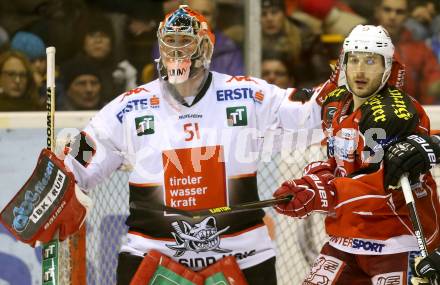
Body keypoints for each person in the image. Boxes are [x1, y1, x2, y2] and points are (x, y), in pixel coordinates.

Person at [3, 5, 323, 284]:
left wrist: (342, 93)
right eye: (169, 44)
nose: (176, 53)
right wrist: (60, 180)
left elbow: (307, 112)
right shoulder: (129, 107)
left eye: (185, 43)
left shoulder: (246, 93)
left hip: (244, 253)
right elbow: (84, 158)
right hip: (152, 253)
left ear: (205, 48)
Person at [273, 24, 440, 284]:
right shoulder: (335, 104)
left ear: (387, 67)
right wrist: (311, 182)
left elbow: (383, 184)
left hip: (396, 240)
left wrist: (325, 193)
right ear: (343, 64)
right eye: (354, 60)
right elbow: (336, 162)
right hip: (345, 240)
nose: (360, 71)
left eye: (371, 61)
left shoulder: (394, 113)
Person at [375, 0, 440, 104]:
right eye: (387, 10)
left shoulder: (420, 48)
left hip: (414, 113)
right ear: (377, 12)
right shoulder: (359, 44)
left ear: (407, 16)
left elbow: (433, 80)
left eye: (399, 12)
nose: (392, 17)